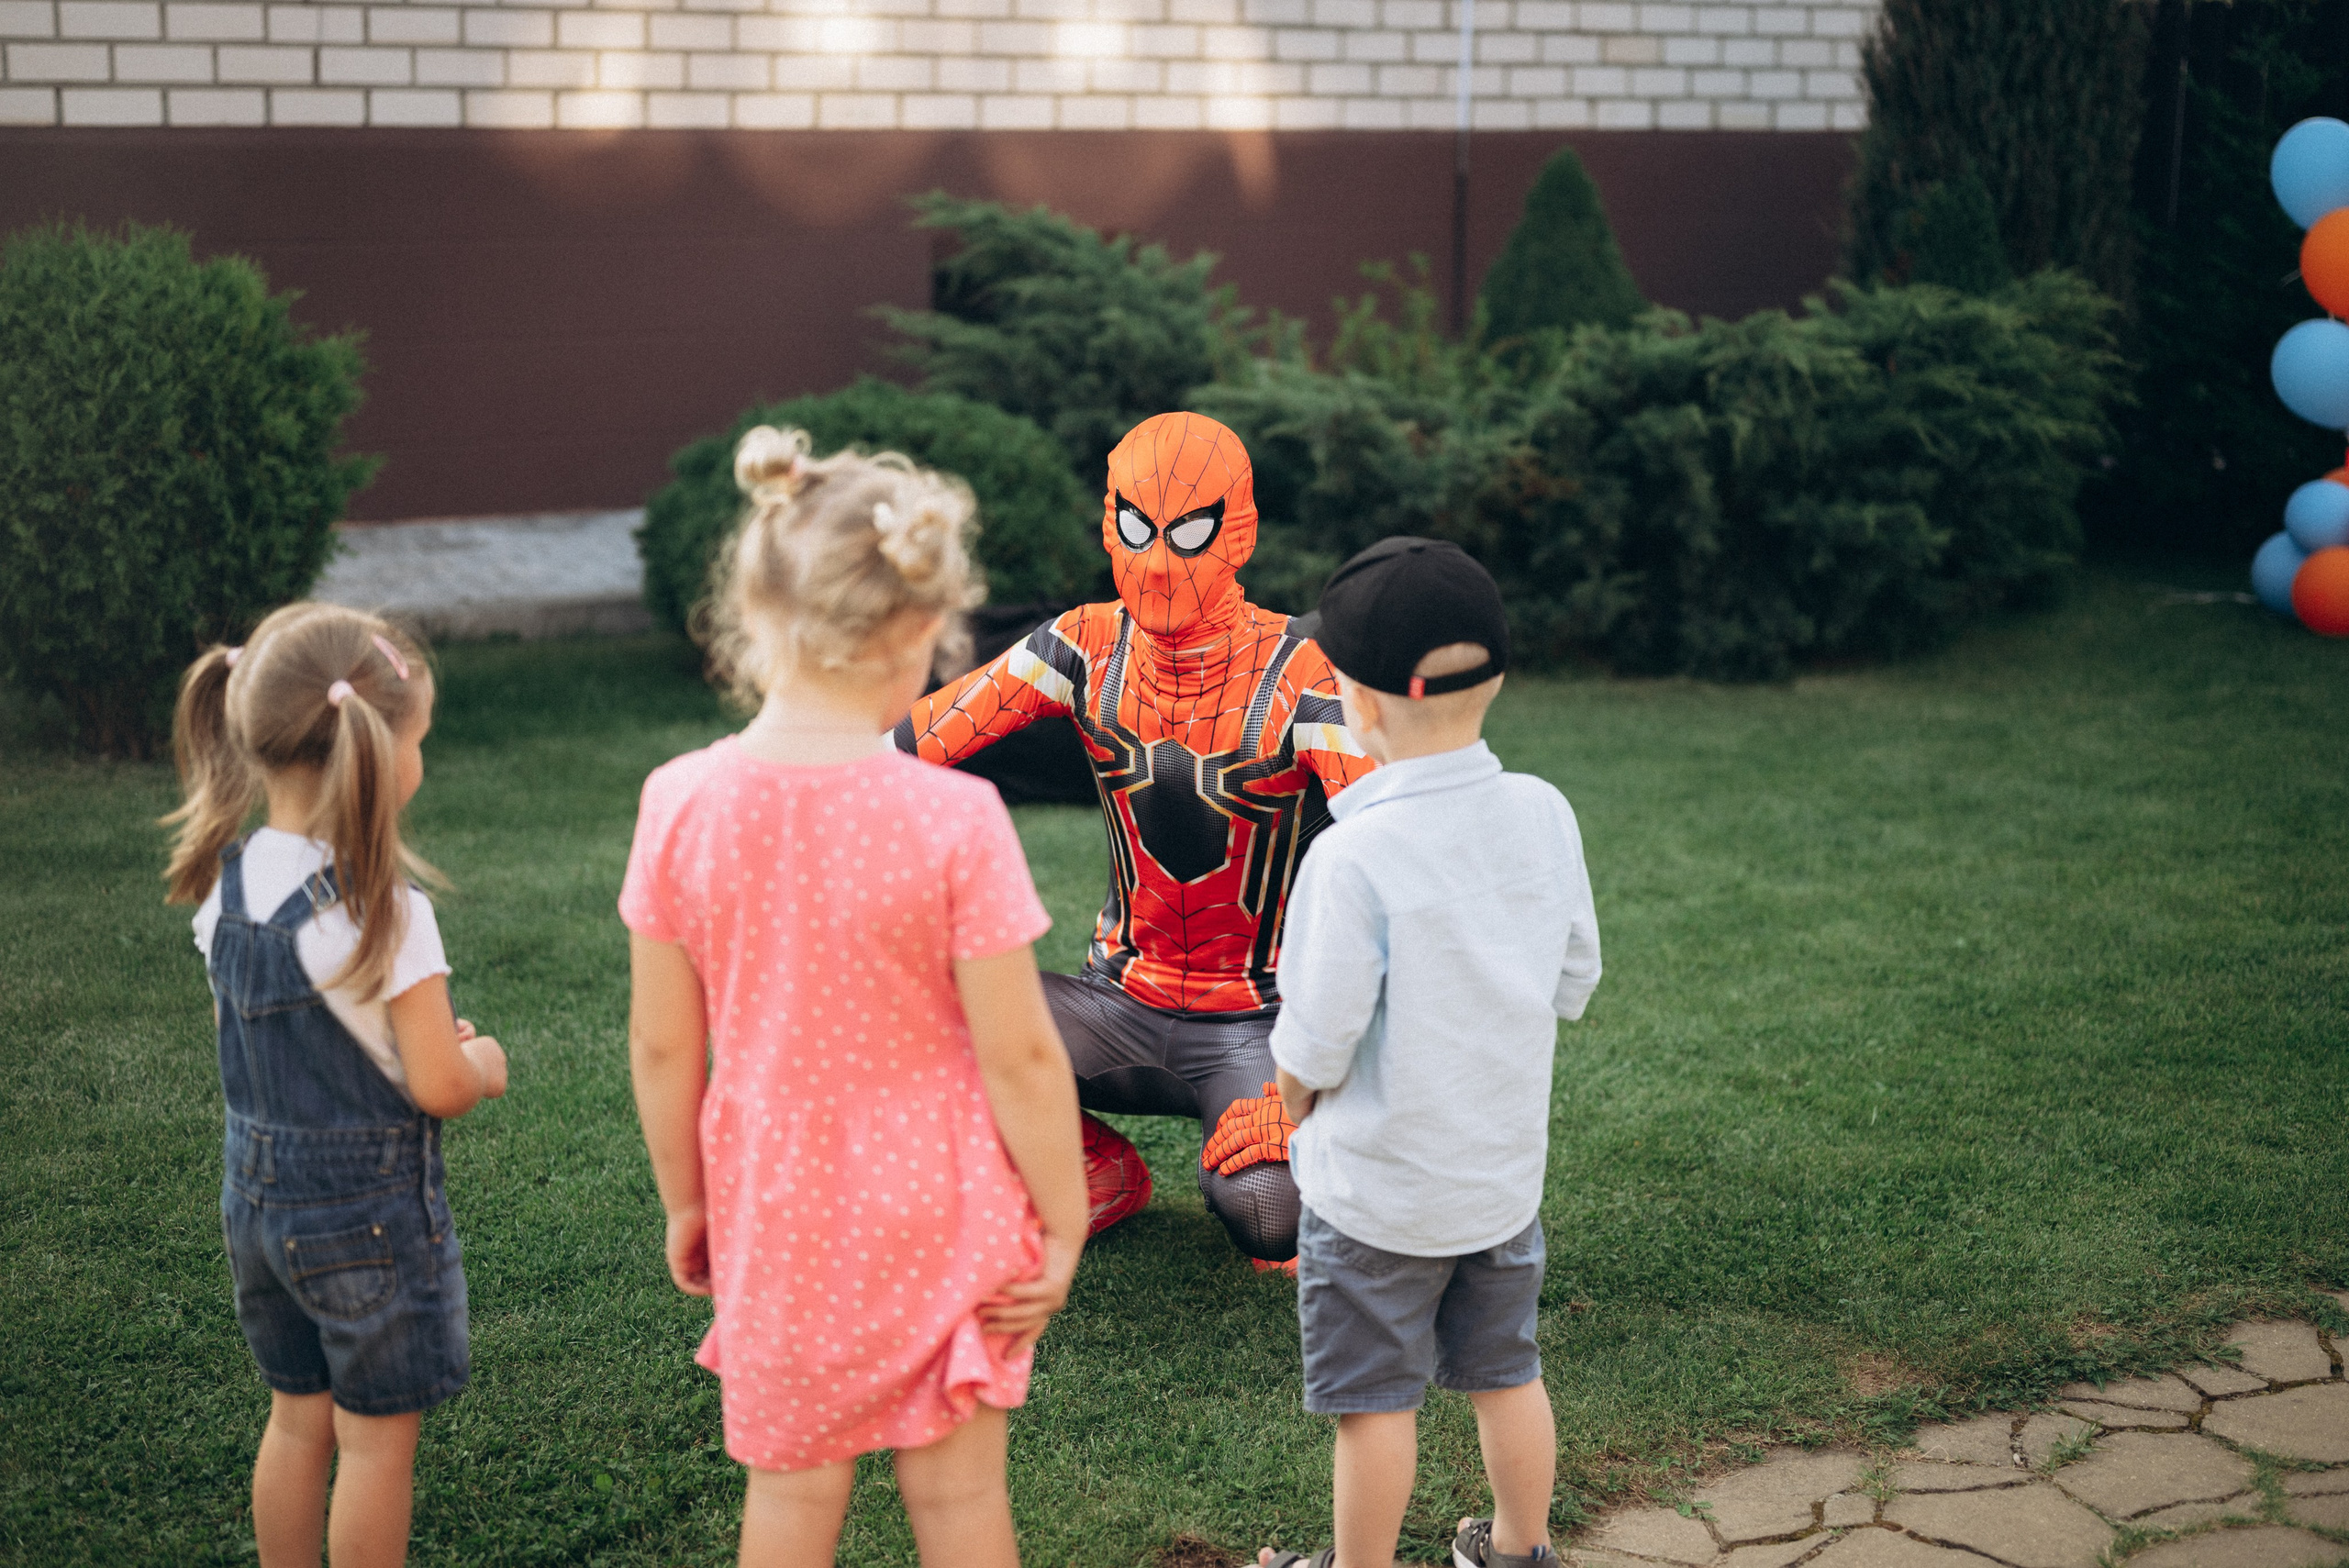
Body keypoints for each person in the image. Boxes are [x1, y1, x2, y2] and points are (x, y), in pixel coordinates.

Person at [622, 427, 1089, 1568]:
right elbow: (1024, 1054)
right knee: (962, 1503)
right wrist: (1064, 1217)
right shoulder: (952, 817)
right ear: (928, 626)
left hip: (776, 1207)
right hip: (944, 1199)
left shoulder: (680, 802)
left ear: (757, 607)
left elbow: (661, 1047)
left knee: (789, 1508)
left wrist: (687, 1201)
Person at [894, 411, 1375, 1267]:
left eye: (1189, 533)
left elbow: (1401, 868)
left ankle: (1306, 1156)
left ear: (1243, 533)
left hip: (1258, 1021)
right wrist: (785, 762)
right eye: (1135, 528)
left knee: (1268, 1215)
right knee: (916, 1017)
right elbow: (920, 736)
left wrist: (1308, 1083)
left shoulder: (1301, 673)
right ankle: (1094, 1168)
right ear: (1106, 520)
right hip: (1112, 1000)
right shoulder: (1082, 645)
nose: (1156, 564)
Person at [1254, 539, 1602, 1568]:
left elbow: (1315, 1039)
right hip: (1498, 1185)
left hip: (1375, 1198)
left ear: (1354, 702)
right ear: (1494, 676)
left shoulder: (1352, 852)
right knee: (1506, 1374)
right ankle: (1517, 1548)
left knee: (1372, 1405)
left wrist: (1292, 1105)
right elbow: (1573, 979)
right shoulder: (1543, 811)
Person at [164, 603, 508, 1568]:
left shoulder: (227, 887)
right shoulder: (388, 912)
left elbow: (266, 1042)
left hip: (256, 1204)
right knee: (374, 1442)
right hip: (362, 1221)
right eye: (422, 738)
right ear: (376, 749)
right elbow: (437, 1081)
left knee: (296, 1419)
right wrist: (480, 1062)